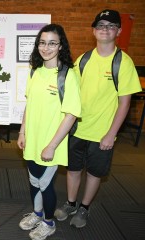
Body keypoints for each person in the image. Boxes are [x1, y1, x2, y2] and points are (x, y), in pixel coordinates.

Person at [54, 9, 142, 228]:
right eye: (100, 25)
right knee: (73, 170)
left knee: (94, 173)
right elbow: (70, 91)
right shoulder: (84, 59)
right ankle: (71, 202)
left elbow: (125, 103)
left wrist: (111, 134)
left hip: (102, 133)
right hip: (77, 128)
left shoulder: (123, 63)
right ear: (93, 31)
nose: (105, 29)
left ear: (118, 31)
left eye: (111, 26)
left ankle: (84, 207)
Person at [17, 24, 81, 240]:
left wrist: (52, 145)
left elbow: (71, 115)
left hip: (51, 143)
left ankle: (49, 222)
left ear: (60, 45)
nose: (46, 47)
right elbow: (29, 103)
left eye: (52, 43)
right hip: (32, 139)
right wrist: (22, 132)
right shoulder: (35, 71)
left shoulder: (67, 75)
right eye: (42, 43)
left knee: (45, 184)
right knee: (33, 181)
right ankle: (37, 214)